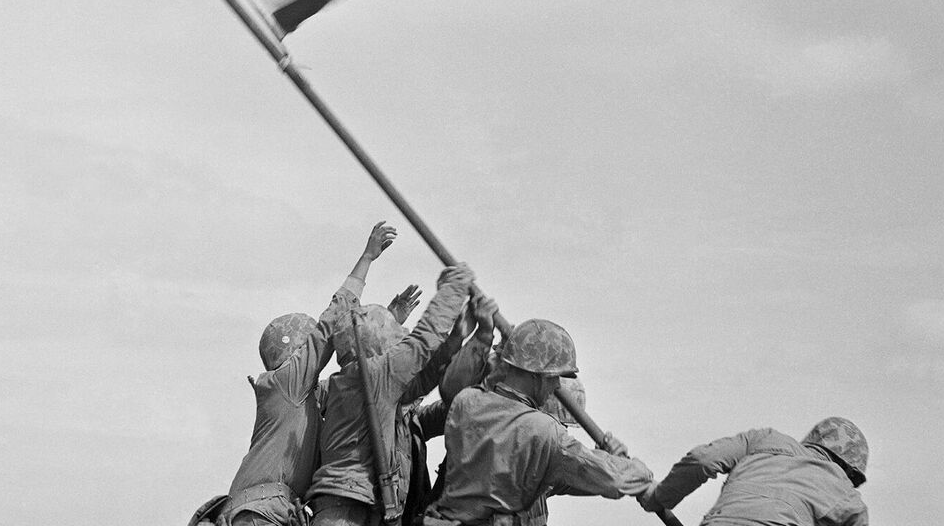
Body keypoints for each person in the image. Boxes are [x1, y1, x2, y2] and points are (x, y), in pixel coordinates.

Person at [215, 222, 406, 526]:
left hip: (273, 513)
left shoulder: (307, 397)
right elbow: (330, 325)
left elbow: (356, 385)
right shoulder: (283, 385)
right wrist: (366, 259)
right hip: (259, 515)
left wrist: (385, 325)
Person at [422, 319, 654, 526]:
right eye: (553, 377)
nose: (556, 386)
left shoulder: (467, 401)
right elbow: (611, 479)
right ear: (537, 375)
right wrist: (635, 469)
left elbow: (569, 478)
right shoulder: (541, 431)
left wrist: (605, 461)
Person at [307, 248, 478, 526]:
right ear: (378, 349)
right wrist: (454, 287)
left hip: (357, 508)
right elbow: (422, 342)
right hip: (346, 512)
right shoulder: (373, 376)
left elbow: (420, 381)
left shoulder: (359, 383)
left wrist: (455, 340)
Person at [635, 417, 870, 526]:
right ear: (851, 471)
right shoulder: (849, 500)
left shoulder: (764, 440)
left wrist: (659, 498)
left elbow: (703, 460)